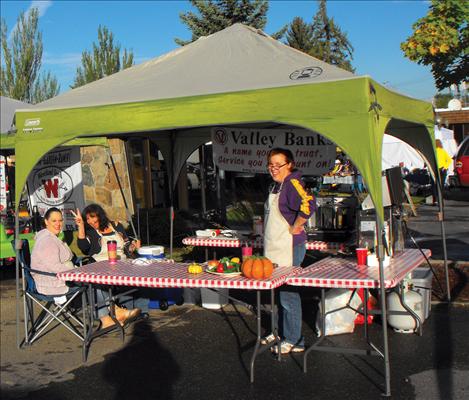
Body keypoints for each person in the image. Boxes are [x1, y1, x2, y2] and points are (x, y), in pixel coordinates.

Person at [31, 207, 136, 329]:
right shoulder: (47, 241)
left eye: (60, 220)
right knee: (94, 282)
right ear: (46, 222)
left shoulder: (51, 237)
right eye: (54, 221)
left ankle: (113, 314)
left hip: (63, 277)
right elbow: (55, 267)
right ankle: (110, 315)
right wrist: (77, 273)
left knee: (95, 279)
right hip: (53, 283)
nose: (58, 224)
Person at [262, 148, 316, 354]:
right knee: (277, 292)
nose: (273, 169)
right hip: (274, 246)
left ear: (289, 165)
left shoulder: (293, 184)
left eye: (278, 165)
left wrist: (297, 225)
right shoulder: (276, 186)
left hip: (290, 246)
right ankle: (279, 331)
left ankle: (295, 340)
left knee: (288, 295)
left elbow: (309, 204)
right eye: (271, 164)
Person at [74, 203, 148, 316]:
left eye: (93, 217)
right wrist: (81, 226)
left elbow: (127, 247)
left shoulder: (116, 225)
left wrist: (133, 246)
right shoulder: (90, 232)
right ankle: (122, 310)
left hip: (122, 262)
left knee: (141, 274)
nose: (90, 221)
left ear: (100, 216)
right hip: (101, 266)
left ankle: (141, 310)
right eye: (87, 219)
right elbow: (83, 246)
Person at [432, 139, 452, 204]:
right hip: (442, 170)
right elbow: (449, 160)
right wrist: (445, 167)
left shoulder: (433, 152)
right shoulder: (443, 151)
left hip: (435, 169)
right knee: (441, 185)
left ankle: (435, 199)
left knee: (434, 185)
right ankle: (441, 199)